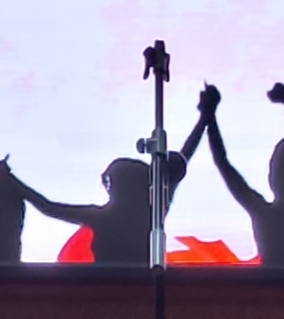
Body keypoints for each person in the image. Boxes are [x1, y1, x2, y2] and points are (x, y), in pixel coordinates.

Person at [18, 110, 207, 265]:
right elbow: (183, 158)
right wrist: (204, 118)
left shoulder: (102, 217)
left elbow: (49, 208)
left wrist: (16, 185)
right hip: (143, 290)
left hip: (108, 290)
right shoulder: (153, 208)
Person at [200, 82, 284, 268]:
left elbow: (223, 163)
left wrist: (210, 116)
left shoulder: (264, 213)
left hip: (275, 285)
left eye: (275, 167)